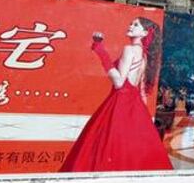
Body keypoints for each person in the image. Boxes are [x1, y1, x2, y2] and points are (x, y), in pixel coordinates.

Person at [59, 17, 173, 172]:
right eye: (131, 23)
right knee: (128, 149)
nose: (130, 26)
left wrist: (100, 51)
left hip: (120, 102)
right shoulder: (144, 56)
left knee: (106, 145)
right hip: (134, 105)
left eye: (135, 25)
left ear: (145, 33)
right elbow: (140, 90)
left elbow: (119, 82)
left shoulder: (129, 49)